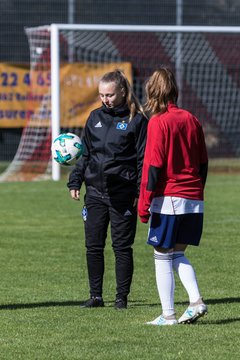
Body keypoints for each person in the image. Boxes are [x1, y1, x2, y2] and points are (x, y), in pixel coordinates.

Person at [67, 69, 148, 309]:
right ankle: (96, 296)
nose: (106, 99)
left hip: (123, 194)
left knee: (122, 247)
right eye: (102, 95)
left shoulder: (138, 120)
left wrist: (138, 191)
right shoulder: (94, 118)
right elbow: (86, 154)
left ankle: (121, 298)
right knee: (93, 246)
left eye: (110, 95)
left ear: (123, 91)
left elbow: (143, 160)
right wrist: (75, 180)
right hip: (95, 193)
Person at [138, 67, 208, 325]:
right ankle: (195, 302)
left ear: (152, 91)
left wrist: (144, 207)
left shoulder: (158, 121)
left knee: (161, 254)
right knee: (177, 253)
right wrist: (197, 193)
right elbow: (203, 163)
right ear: (174, 90)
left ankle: (168, 315)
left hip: (169, 198)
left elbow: (153, 168)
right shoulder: (192, 119)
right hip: (193, 198)